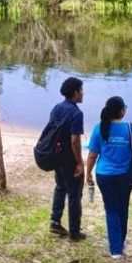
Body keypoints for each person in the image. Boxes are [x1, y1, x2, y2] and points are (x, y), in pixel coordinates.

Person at [86, 96, 132, 259]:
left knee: (111, 209)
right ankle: (120, 243)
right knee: (123, 208)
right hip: (125, 175)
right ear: (122, 110)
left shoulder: (99, 128)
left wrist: (88, 173)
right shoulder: (131, 128)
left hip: (104, 175)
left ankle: (115, 249)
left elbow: (92, 155)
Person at [48, 77, 87, 241]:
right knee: (74, 194)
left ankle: (55, 221)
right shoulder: (76, 113)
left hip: (57, 155)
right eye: (82, 90)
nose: (83, 94)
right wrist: (79, 162)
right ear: (75, 92)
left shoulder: (56, 108)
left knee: (60, 187)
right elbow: (75, 141)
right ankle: (74, 232)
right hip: (69, 158)